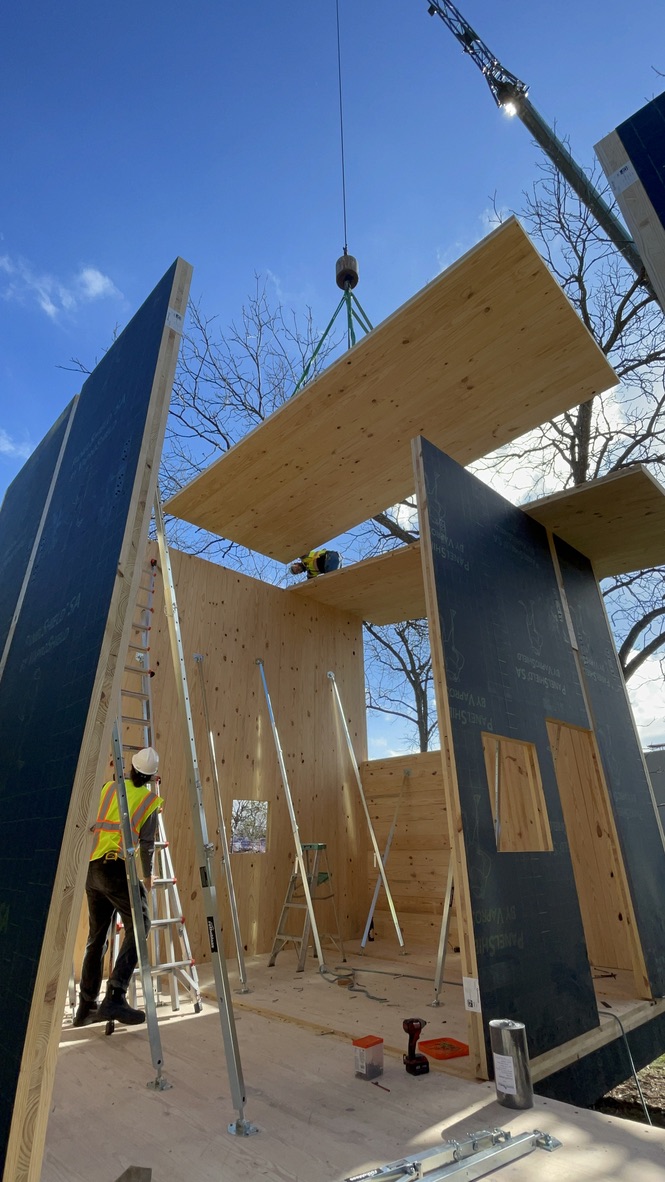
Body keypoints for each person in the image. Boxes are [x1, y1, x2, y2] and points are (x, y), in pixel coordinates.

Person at [73, 747, 163, 1027]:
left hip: (92, 868)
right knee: (142, 923)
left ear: (130, 769)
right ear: (152, 778)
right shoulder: (150, 801)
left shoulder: (107, 788)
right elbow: (147, 844)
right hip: (116, 870)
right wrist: (147, 876)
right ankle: (115, 994)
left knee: (96, 938)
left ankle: (86, 1007)